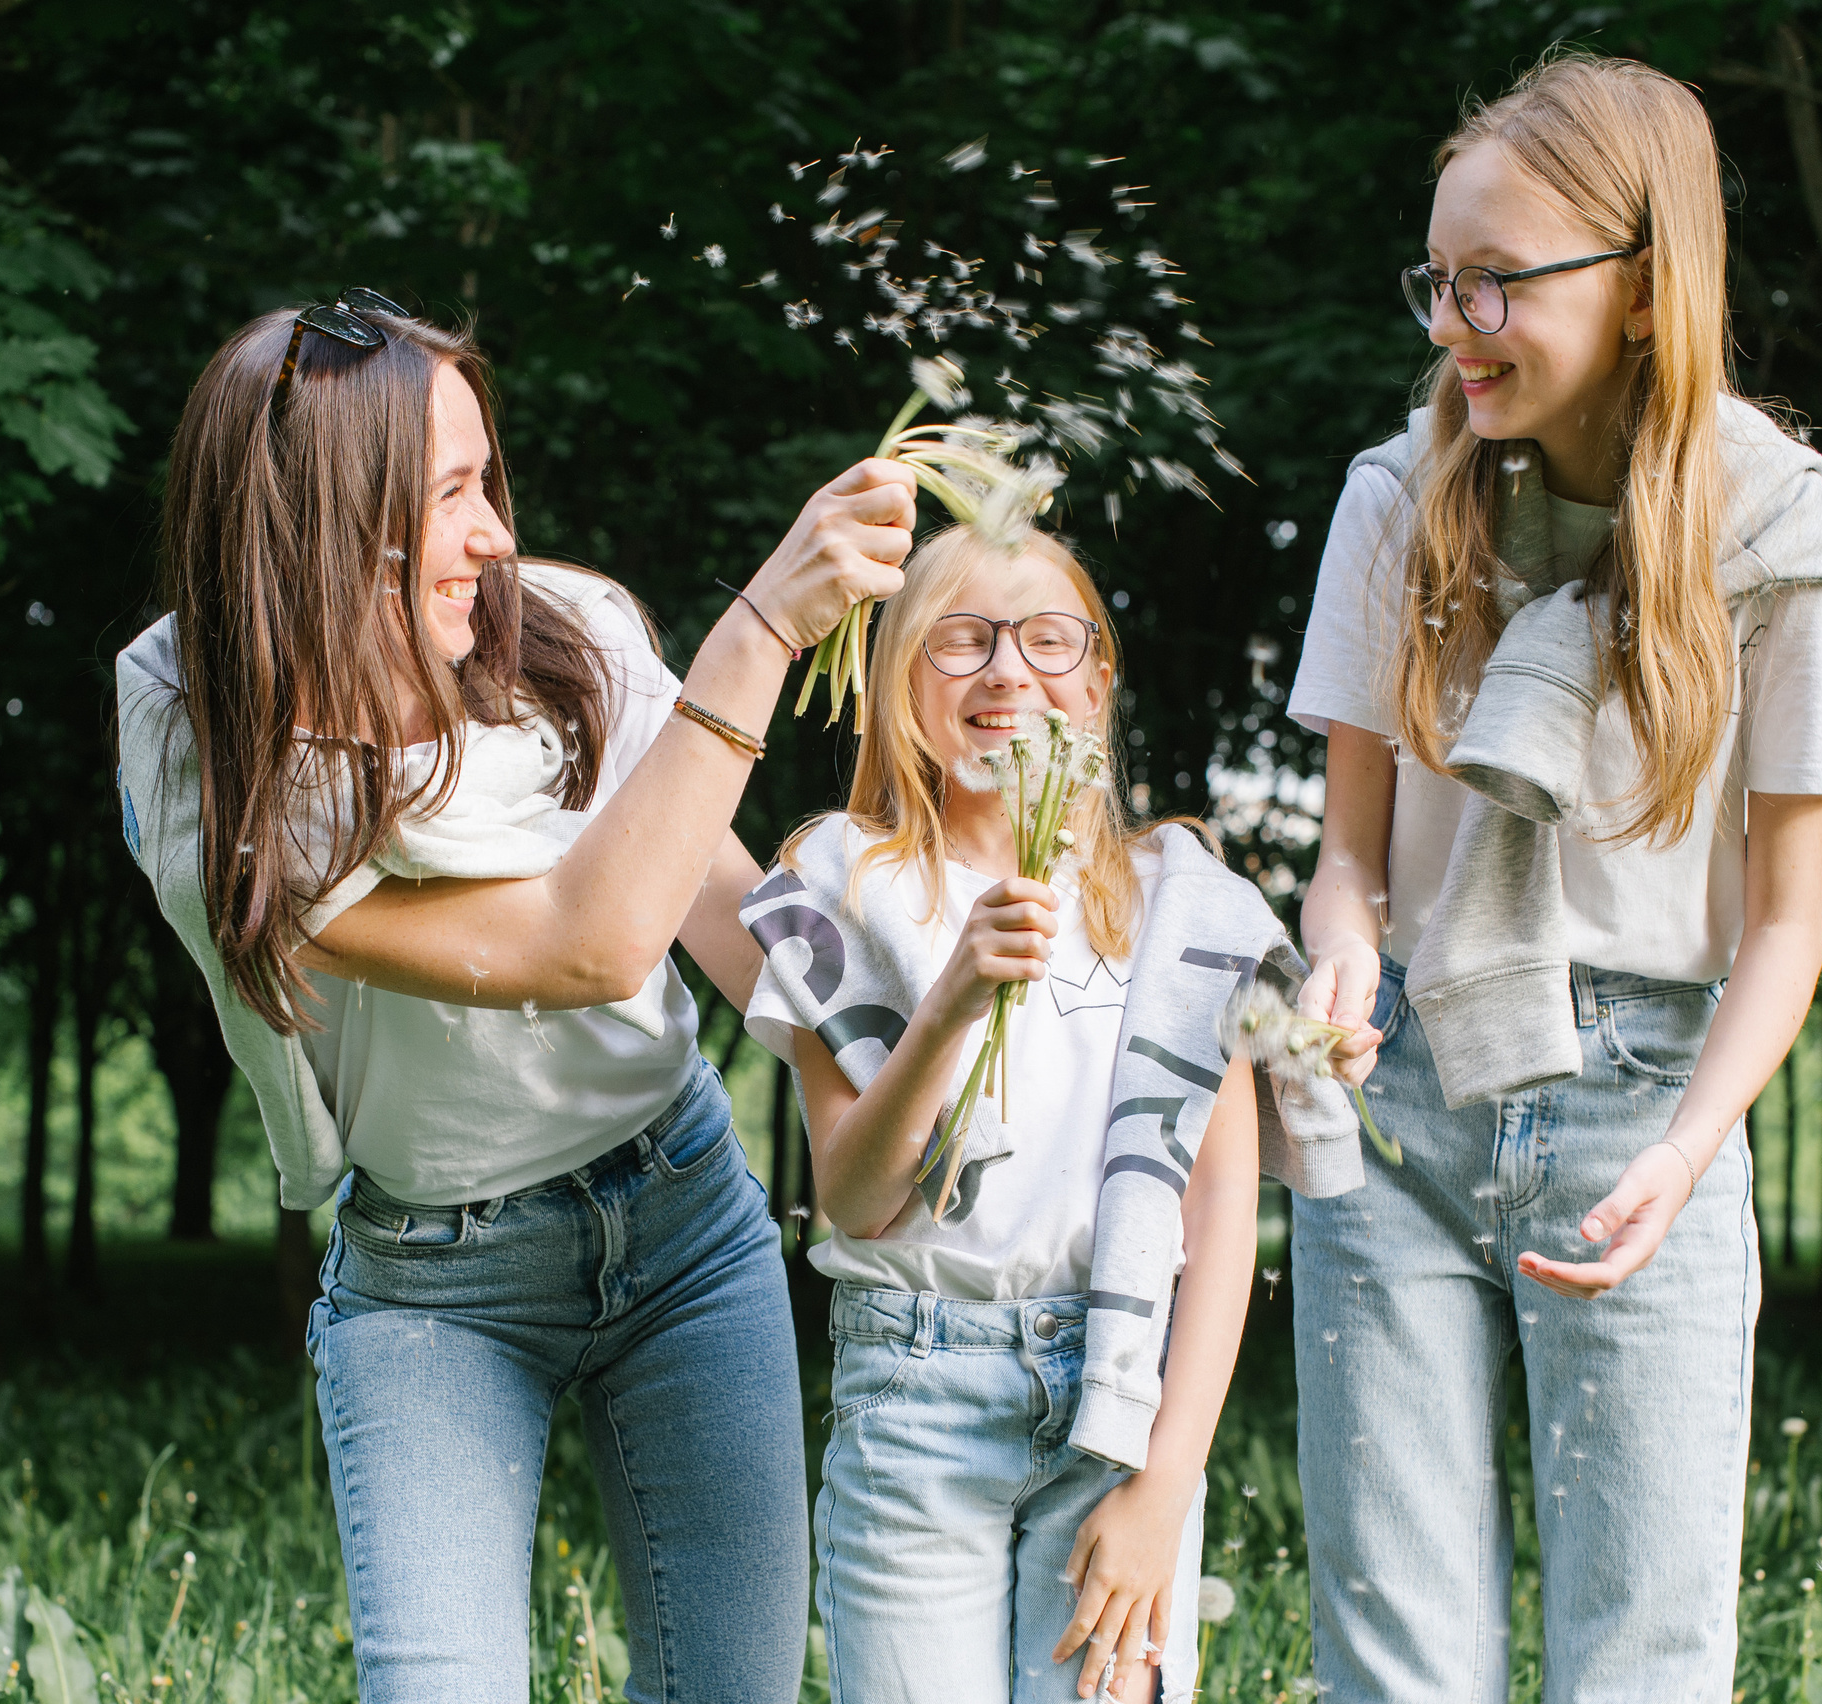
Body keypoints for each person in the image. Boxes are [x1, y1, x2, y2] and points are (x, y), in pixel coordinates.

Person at [115, 290, 914, 1703]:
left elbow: (737, 908)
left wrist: (908, 1054)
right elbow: (580, 948)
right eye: (451, 495)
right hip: (436, 1282)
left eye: (488, 480)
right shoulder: (213, 752)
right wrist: (758, 632)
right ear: (326, 523)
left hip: (685, 1222)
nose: (495, 535)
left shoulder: (567, 630)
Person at [1283, 54, 1822, 1703]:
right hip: (1401, 1100)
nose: (1455, 323)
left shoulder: (1779, 545)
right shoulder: (1397, 502)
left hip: (1647, 1107)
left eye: (1498, 279)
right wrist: (1342, 957)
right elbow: (1350, 860)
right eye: (1438, 279)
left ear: (1639, 285)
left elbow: (1789, 922)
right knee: (1393, 1659)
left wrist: (1686, 1155)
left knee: (1644, 1658)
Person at [740, 525, 1363, 1704]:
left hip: (1118, 1403)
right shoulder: (846, 884)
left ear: (1097, 679)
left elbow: (1219, 1222)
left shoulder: (1182, 908)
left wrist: (1163, 1488)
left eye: (1046, 639)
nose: (1006, 671)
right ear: (901, 680)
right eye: (961, 640)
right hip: (916, 1395)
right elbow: (857, 1200)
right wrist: (950, 1004)